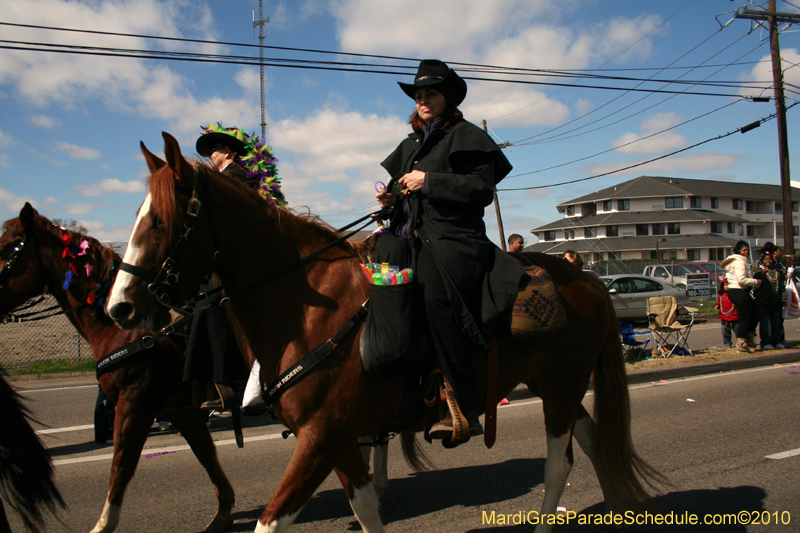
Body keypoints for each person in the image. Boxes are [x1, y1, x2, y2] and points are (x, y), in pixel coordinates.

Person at [374, 59, 523, 443]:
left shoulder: (467, 136)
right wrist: (391, 199)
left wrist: (430, 181)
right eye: (419, 95)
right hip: (410, 238)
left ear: (447, 98)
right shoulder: (409, 145)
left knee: (430, 289)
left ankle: (461, 401)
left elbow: (480, 191)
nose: (423, 100)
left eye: (431, 94)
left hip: (455, 240)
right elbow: (404, 199)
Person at [719, 240, 762, 353]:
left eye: (748, 250)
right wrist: (756, 282)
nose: (746, 252)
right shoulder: (739, 262)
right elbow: (741, 280)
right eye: (744, 250)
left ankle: (750, 337)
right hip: (738, 290)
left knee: (756, 312)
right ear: (738, 251)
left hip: (738, 291)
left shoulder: (739, 261)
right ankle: (741, 343)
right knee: (744, 319)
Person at [753, 251, 785, 349]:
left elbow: (782, 287)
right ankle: (766, 342)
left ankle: (777, 340)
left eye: (770, 259)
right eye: (766, 259)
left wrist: (783, 300)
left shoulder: (777, 272)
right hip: (763, 302)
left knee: (776, 322)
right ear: (762, 260)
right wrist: (763, 272)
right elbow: (755, 277)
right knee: (765, 323)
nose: (768, 261)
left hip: (775, 301)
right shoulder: (759, 270)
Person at [715, 280, 739, 349]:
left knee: (737, 329)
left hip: (734, 315)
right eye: (725, 285)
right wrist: (717, 305)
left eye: (727, 285)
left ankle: (740, 342)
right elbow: (720, 301)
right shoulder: (722, 295)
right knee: (725, 331)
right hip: (724, 316)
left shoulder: (735, 294)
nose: (726, 287)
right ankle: (727, 343)